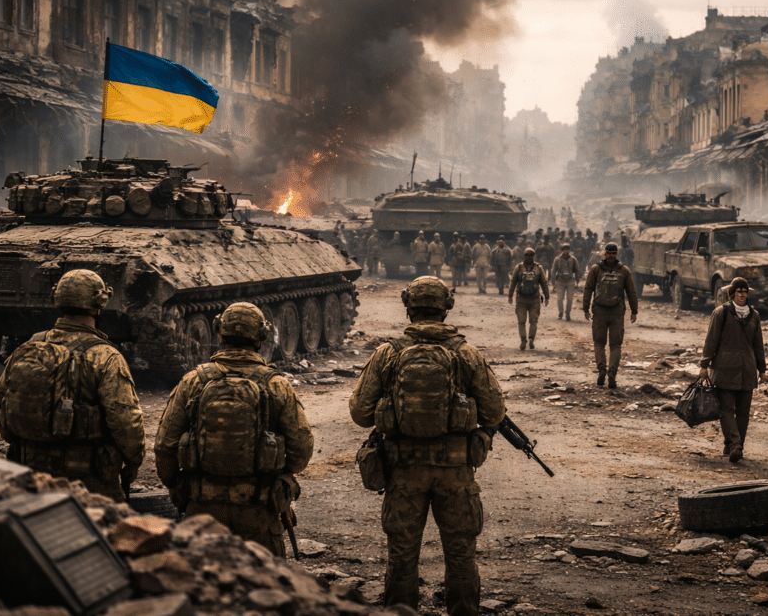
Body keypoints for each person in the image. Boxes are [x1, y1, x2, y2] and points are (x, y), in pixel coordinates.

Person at [350, 277, 506, 616]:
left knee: (402, 556)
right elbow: (495, 411)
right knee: (461, 553)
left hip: (403, 471)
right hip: (455, 472)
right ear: (446, 308)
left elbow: (360, 414)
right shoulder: (466, 353)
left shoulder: (388, 353)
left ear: (408, 308)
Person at [154, 302, 313, 556]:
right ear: (260, 338)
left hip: (202, 511)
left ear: (220, 335)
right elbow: (301, 449)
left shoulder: (193, 381)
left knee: (204, 587)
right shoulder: (277, 385)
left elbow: (164, 445)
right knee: (265, 589)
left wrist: (178, 488)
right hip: (259, 511)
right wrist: (281, 481)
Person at [0, 269, 145, 502]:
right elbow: (125, 421)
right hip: (87, 480)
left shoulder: (30, 346)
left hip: (29, 473)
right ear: (99, 304)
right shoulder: (106, 356)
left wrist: (31, 443)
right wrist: (133, 460)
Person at [698, 278, 766, 463]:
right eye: (739, 291)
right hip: (725, 368)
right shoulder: (721, 313)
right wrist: (704, 365)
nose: (742, 295)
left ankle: (734, 446)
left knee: (742, 411)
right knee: (727, 409)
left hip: (747, 369)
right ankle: (736, 445)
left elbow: (758, 344)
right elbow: (711, 340)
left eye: (745, 291)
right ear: (732, 294)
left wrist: (762, 369)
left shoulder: (755, 315)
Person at [582, 244, 638, 389]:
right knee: (615, 345)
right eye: (610, 253)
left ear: (605, 254)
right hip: (617, 312)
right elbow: (631, 292)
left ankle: (602, 370)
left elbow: (588, 289)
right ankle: (612, 373)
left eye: (612, 253)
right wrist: (634, 311)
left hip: (599, 312)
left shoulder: (596, 269)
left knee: (599, 344)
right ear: (607, 254)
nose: (611, 255)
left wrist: (586, 309)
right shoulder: (624, 270)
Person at [509, 248, 549, 350]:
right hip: (521, 298)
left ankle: (531, 339)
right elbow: (513, 282)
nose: (529, 256)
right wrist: (510, 295)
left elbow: (544, 283)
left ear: (533, 256)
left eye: (531, 255)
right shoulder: (519, 267)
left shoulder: (538, 268)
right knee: (521, 321)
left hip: (534, 299)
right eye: (527, 255)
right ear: (524, 255)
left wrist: (547, 296)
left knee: (533, 320)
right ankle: (523, 339)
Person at [550, 243, 581, 321]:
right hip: (560, 280)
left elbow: (577, 271)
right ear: (562, 250)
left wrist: (577, 282)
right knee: (560, 298)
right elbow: (553, 270)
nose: (566, 250)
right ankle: (560, 312)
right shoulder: (557, 259)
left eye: (567, 249)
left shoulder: (573, 259)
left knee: (570, 298)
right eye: (564, 249)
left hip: (570, 280)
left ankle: (568, 313)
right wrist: (553, 282)